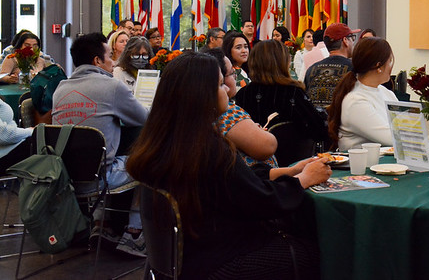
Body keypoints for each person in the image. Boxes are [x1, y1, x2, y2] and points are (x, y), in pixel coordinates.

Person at [126, 51, 331, 280]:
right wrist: (302, 180)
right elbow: (260, 201)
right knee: (322, 252)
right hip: (219, 264)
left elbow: (237, 183)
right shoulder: (206, 148)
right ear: (202, 95)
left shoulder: (164, 143)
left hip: (183, 261)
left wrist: (288, 171)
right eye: (221, 84)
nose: (226, 90)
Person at [51, 32, 149, 256]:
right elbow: (144, 118)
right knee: (150, 158)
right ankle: (135, 232)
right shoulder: (111, 87)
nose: (113, 61)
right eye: (109, 56)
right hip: (102, 178)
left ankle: (102, 223)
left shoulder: (60, 89)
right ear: (97, 61)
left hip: (65, 178)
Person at [235, 40, 327, 144]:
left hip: (253, 155)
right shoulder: (293, 92)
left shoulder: (243, 94)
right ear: (283, 62)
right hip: (293, 157)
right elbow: (318, 129)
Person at [327, 37, 397, 151]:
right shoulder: (355, 101)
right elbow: (393, 138)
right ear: (378, 66)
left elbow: (404, 126)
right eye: (390, 61)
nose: (391, 67)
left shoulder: (386, 93)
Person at [304, 23, 358, 113]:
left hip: (316, 125)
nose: (353, 42)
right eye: (352, 38)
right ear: (345, 41)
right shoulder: (356, 68)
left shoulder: (311, 70)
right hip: (343, 125)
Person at [0, 98, 33, 173]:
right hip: (4, 156)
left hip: (7, 149)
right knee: (44, 142)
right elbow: (4, 136)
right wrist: (31, 131)